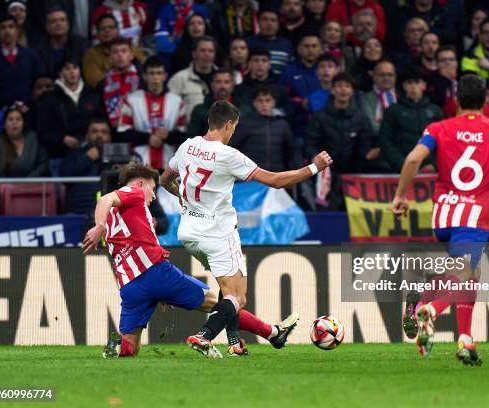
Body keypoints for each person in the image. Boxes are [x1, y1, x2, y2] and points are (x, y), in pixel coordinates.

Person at [159, 101, 332, 356]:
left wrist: (181, 197)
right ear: (229, 125)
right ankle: (204, 336)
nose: (233, 133)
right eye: (234, 128)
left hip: (188, 233)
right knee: (237, 298)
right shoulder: (229, 156)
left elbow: (164, 179)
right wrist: (315, 166)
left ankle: (235, 343)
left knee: (226, 289)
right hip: (218, 233)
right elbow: (275, 180)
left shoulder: (187, 146)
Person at [83, 163, 301, 358]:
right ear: (141, 183)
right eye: (153, 187)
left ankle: (116, 345)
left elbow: (109, 205)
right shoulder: (134, 192)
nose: (154, 195)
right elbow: (106, 197)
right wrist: (98, 227)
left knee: (130, 348)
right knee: (219, 305)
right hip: (156, 272)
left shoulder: (115, 213)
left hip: (130, 285)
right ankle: (272, 333)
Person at [393, 74, 489, 366]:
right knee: (464, 275)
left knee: (471, 273)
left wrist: (400, 196)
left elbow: (412, 160)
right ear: (486, 101)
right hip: (473, 216)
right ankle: (429, 309)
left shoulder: (438, 127)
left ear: (457, 100)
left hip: (444, 214)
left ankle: (465, 339)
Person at [305, 73, 373, 210]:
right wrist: (317, 160)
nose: (343, 90)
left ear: (352, 91)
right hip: (326, 176)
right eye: (339, 86)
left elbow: (365, 145)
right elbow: (309, 144)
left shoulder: (361, 118)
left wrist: (360, 162)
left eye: (347, 86)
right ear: (332, 90)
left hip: (354, 176)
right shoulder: (320, 117)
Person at [117, 57, 186, 170]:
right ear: (144, 76)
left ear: (165, 76)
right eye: (151, 73)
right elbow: (122, 134)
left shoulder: (177, 102)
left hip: (168, 165)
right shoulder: (131, 100)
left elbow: (184, 135)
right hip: (139, 165)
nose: (155, 77)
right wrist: (148, 138)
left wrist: (168, 136)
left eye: (159, 73)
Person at [37, 59, 105, 163]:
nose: (72, 72)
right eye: (67, 69)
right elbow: (43, 133)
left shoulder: (92, 94)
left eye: (75, 68)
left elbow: (102, 122)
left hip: (92, 154)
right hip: (60, 156)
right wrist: (62, 139)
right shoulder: (49, 99)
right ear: (60, 73)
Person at [378, 69, 443, 173]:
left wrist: (434, 165)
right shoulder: (393, 110)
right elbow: (385, 141)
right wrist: (402, 164)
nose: (413, 86)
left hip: (430, 170)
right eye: (409, 83)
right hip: (400, 169)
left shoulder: (435, 110)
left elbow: (444, 141)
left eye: (417, 82)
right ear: (404, 86)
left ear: (424, 86)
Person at [0, 14, 45, 110]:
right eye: (3, 28)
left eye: (11, 27)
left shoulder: (31, 56)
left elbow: (39, 83)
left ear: (18, 31)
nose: (7, 31)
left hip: (28, 110)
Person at [230, 85, 294, 172]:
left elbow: (292, 152)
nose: (264, 104)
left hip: (277, 177)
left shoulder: (282, 125)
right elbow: (232, 149)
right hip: (251, 176)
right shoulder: (244, 124)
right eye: (260, 101)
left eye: (268, 100)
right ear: (254, 103)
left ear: (274, 102)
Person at [59, 119, 112, 214]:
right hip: (78, 212)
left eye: (104, 132)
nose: (99, 135)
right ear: (87, 136)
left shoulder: (118, 157)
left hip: (109, 213)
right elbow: (63, 176)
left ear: (109, 137)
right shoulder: (75, 153)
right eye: (94, 131)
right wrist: (87, 158)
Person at [0, 107, 48, 178]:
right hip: (2, 186)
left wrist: (30, 180)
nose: (14, 123)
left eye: (18, 119)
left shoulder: (33, 138)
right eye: (10, 119)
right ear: (4, 125)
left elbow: (44, 162)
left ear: (23, 123)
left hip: (30, 186)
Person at [83, 13, 147, 88]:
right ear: (97, 33)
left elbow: (147, 73)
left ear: (118, 31)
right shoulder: (91, 54)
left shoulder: (133, 50)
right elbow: (94, 81)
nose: (107, 30)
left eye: (111, 27)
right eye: (103, 28)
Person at [168, 36, 218, 125]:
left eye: (210, 51)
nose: (207, 54)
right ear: (194, 54)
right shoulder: (179, 79)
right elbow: (170, 110)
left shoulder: (224, 79)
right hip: (190, 134)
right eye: (203, 50)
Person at [187, 68, 248, 138]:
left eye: (226, 82)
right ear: (212, 85)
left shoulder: (244, 110)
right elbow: (192, 138)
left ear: (233, 85)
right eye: (218, 82)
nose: (222, 86)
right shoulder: (200, 110)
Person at [233, 47, 292, 118]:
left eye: (264, 61)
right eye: (256, 60)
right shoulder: (239, 90)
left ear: (269, 64)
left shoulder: (280, 88)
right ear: (249, 64)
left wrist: (272, 113)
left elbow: (288, 110)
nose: (260, 64)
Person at [97, 37, 142, 128]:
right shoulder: (102, 85)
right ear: (110, 58)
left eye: (124, 51)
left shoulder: (142, 80)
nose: (120, 55)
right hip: (112, 131)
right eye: (115, 52)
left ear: (131, 55)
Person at [33, 7, 89, 79]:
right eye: (53, 21)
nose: (58, 24)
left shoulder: (82, 45)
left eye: (62, 20)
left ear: (68, 24)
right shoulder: (38, 49)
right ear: (47, 27)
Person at [154, 0, 209, 65]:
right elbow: (162, 45)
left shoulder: (201, 10)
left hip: (196, 56)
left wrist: (174, 40)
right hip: (171, 58)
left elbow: (207, 38)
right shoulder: (165, 10)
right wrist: (183, 50)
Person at [245, 7, 293, 76]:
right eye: (265, 20)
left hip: (280, 85)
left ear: (278, 24)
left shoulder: (287, 45)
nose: (269, 23)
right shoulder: (248, 43)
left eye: (273, 20)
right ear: (258, 22)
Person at [361, 60, 397, 136]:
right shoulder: (365, 99)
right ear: (373, 76)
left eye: (390, 75)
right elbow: (372, 127)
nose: (386, 78)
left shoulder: (402, 97)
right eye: (382, 75)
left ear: (395, 77)